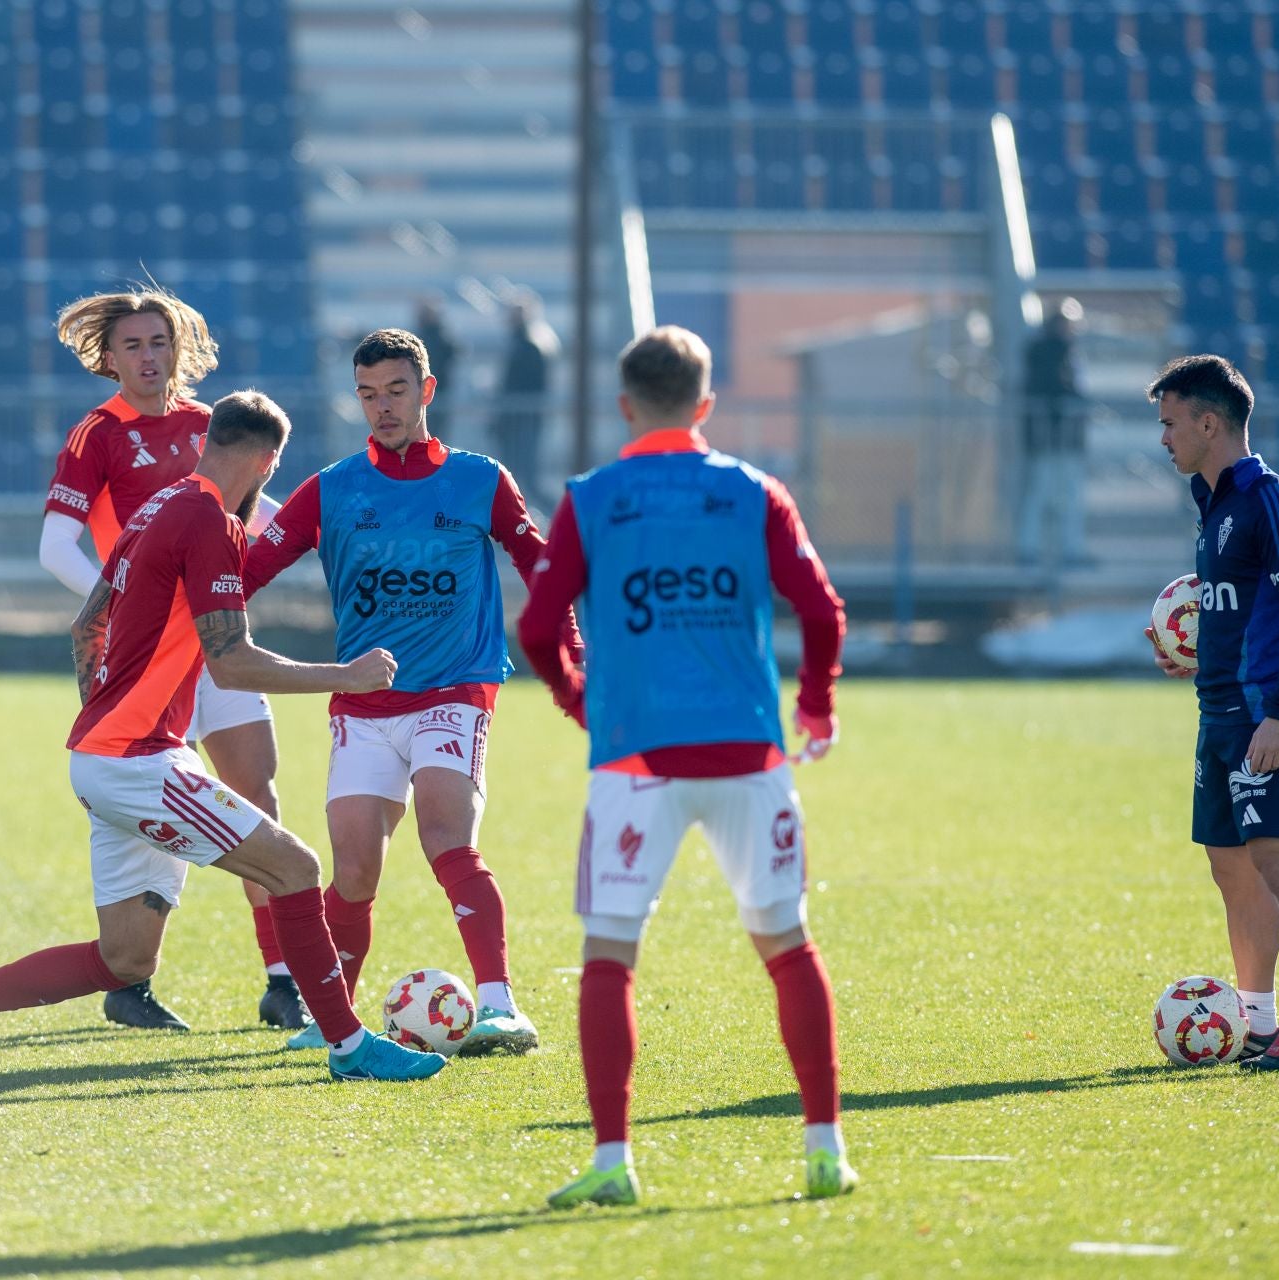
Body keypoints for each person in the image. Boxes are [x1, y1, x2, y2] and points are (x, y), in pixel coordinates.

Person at [0, 391, 446, 1084]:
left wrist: (108, 713)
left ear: (205, 443)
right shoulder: (210, 522)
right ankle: (349, 1048)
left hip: (110, 754)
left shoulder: (156, 508)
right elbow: (233, 659)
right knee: (298, 870)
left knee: (124, 960)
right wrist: (349, 676)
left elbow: (85, 626)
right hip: (135, 762)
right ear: (268, 462)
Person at [516, 325, 856, 1207]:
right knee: (787, 946)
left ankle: (612, 1162)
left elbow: (536, 626)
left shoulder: (593, 497)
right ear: (706, 406)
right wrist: (815, 704)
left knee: (609, 957)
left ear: (626, 406)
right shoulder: (753, 491)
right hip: (749, 753)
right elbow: (820, 610)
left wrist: (574, 698)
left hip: (635, 762)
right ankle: (825, 1150)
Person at [243, 328, 572, 1055]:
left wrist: (571, 656)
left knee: (445, 834)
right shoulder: (331, 489)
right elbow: (243, 575)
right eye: (367, 394)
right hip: (363, 703)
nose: (381, 407)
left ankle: (499, 1006)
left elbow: (542, 565)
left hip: (454, 692)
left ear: (427, 390)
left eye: (395, 391)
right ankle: (340, 1025)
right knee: (354, 870)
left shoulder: (480, 479)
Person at [38, 288, 304, 1033]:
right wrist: (121, 603)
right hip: (145, 662)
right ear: (109, 357)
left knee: (257, 790)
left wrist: (335, 537)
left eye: (159, 342)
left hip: (211, 643)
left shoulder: (209, 427)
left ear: (178, 347)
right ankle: (130, 976)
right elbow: (54, 544)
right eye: (133, 346)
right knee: (144, 809)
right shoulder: (98, 434)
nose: (148, 357)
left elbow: (263, 517)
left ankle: (282, 980)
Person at [1143, 355, 1279, 1071]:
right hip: (1219, 715)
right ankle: (1257, 1025)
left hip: (1266, 717)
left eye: (1169, 423)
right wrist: (1185, 655)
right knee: (1232, 868)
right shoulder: (1215, 507)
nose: (1163, 438)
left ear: (1208, 421)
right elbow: (1235, 611)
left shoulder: (1273, 500)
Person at [1016, 299, 1087, 567]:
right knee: (1041, 492)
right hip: (1048, 437)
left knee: (1066, 494)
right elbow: (1054, 390)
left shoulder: (1066, 352)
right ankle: (1031, 550)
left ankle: (1068, 550)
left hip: (1063, 438)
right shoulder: (1048, 353)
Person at [489, 296, 558, 496]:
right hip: (516, 418)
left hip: (522, 419)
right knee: (516, 477)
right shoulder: (524, 341)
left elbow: (525, 383)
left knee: (522, 478)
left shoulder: (530, 344)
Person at [415, 298, 460, 439]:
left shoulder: (441, 338)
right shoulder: (419, 336)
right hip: (422, 393)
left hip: (436, 393)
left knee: (435, 436)